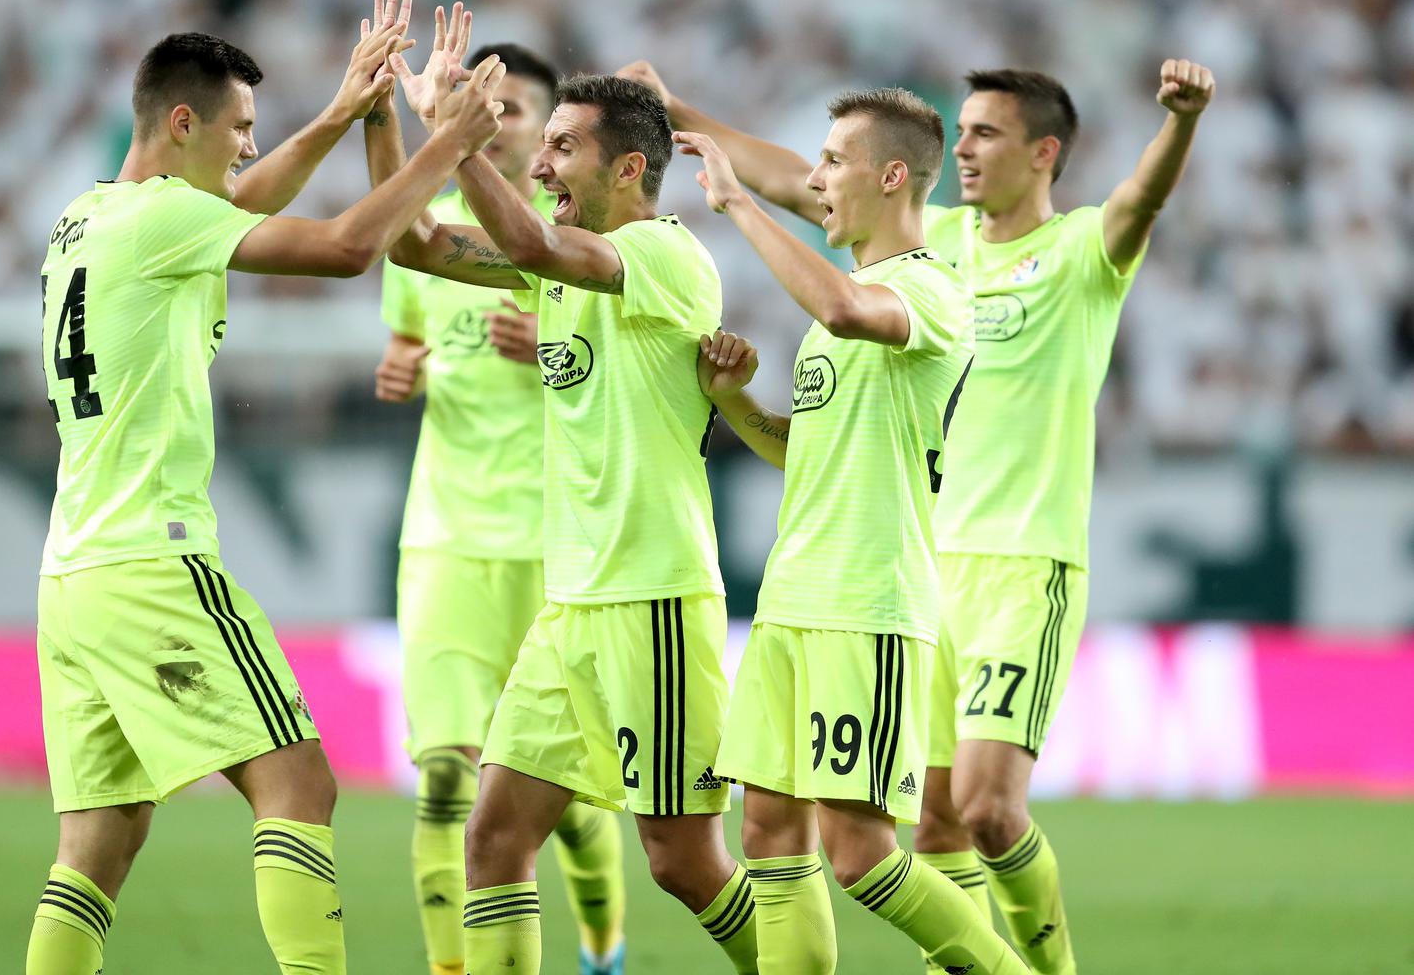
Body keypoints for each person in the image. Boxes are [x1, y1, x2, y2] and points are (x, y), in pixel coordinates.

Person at [622, 55, 1215, 974]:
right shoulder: (927, 244)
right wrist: (671, 111)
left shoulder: (1006, 266)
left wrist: (1179, 121)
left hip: (999, 561)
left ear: (1042, 152)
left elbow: (1139, 200)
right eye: (961, 130)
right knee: (827, 826)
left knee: (962, 817)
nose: (967, 145)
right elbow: (801, 186)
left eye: (986, 131)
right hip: (870, 575)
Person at [28, 0, 504, 975]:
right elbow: (348, 248)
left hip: (73, 575)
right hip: (154, 560)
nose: (250, 147)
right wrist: (448, 146)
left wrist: (338, 115)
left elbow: (239, 204)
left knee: (98, 843)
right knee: (299, 782)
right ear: (182, 123)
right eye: (239, 128)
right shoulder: (164, 220)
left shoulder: (86, 217)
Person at [367, 47, 758, 975]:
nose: (538, 165)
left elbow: (539, 247)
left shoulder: (664, 256)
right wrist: (388, 119)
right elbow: (414, 245)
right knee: (494, 837)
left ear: (628, 169)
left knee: (682, 861)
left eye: (561, 148)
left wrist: (456, 136)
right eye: (538, 145)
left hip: (652, 599)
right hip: (570, 604)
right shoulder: (555, 263)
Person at [675, 88, 1028, 973]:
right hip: (791, 601)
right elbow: (803, 450)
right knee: (766, 833)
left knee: (861, 854)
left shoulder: (932, 290)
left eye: (833, 160)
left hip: (866, 601)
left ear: (892, 175)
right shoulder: (840, 312)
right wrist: (733, 404)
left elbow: (841, 308)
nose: (817, 179)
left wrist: (738, 202)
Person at [370, 4, 625, 975]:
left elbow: (645, 384)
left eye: (517, 108)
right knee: (445, 779)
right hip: (446, 541)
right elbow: (409, 326)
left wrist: (559, 355)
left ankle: (603, 948)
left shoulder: (584, 247)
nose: (499, 118)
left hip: (559, 552)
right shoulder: (436, 236)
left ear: (555, 136)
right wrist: (404, 369)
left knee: (566, 802)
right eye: (484, 100)